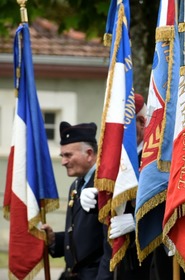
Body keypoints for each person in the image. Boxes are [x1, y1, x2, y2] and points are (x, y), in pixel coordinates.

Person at [41, 122, 113, 280]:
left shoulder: (105, 184)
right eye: (62, 156)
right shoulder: (76, 184)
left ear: (89, 154)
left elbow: (110, 244)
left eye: (68, 155)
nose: (63, 162)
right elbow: (83, 238)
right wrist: (55, 240)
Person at [111, 93, 153, 279]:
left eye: (125, 128)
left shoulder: (155, 158)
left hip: (150, 254)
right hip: (123, 254)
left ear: (142, 123)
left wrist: (138, 222)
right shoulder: (120, 156)